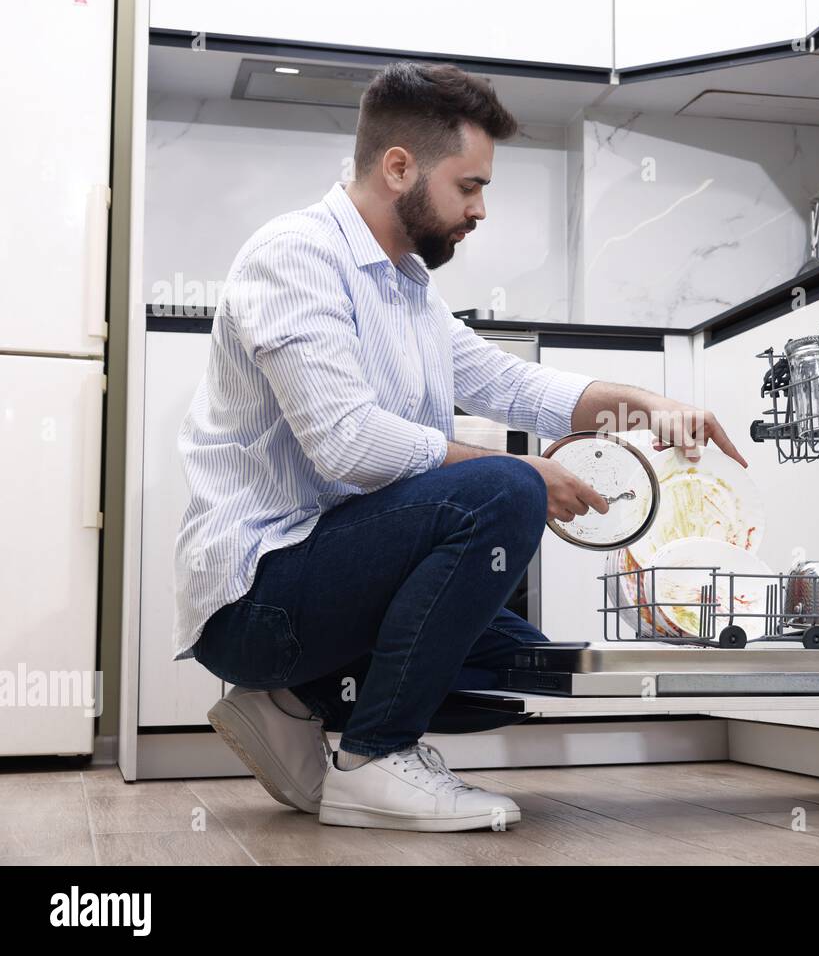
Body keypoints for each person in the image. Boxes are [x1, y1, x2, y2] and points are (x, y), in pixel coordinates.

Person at [172, 61, 745, 833]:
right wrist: (521, 472)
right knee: (507, 489)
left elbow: (509, 384)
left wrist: (643, 403)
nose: (479, 210)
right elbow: (347, 443)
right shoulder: (295, 256)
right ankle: (375, 757)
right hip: (258, 598)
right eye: (469, 186)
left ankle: (299, 699)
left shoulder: (408, 284)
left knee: (518, 659)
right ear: (399, 166)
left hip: (326, 577)